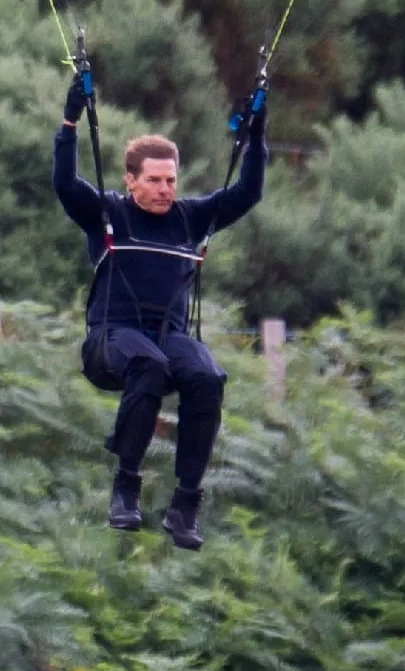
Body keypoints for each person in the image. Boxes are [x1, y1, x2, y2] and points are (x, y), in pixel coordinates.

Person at [52, 74, 267, 550]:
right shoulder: (108, 213)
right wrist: (69, 122)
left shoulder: (190, 218)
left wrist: (256, 136)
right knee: (148, 363)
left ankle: (185, 504)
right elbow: (64, 184)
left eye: (170, 180)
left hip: (168, 336)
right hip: (111, 339)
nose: (164, 189)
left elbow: (248, 192)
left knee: (207, 377)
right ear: (130, 180)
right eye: (153, 180)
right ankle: (126, 486)